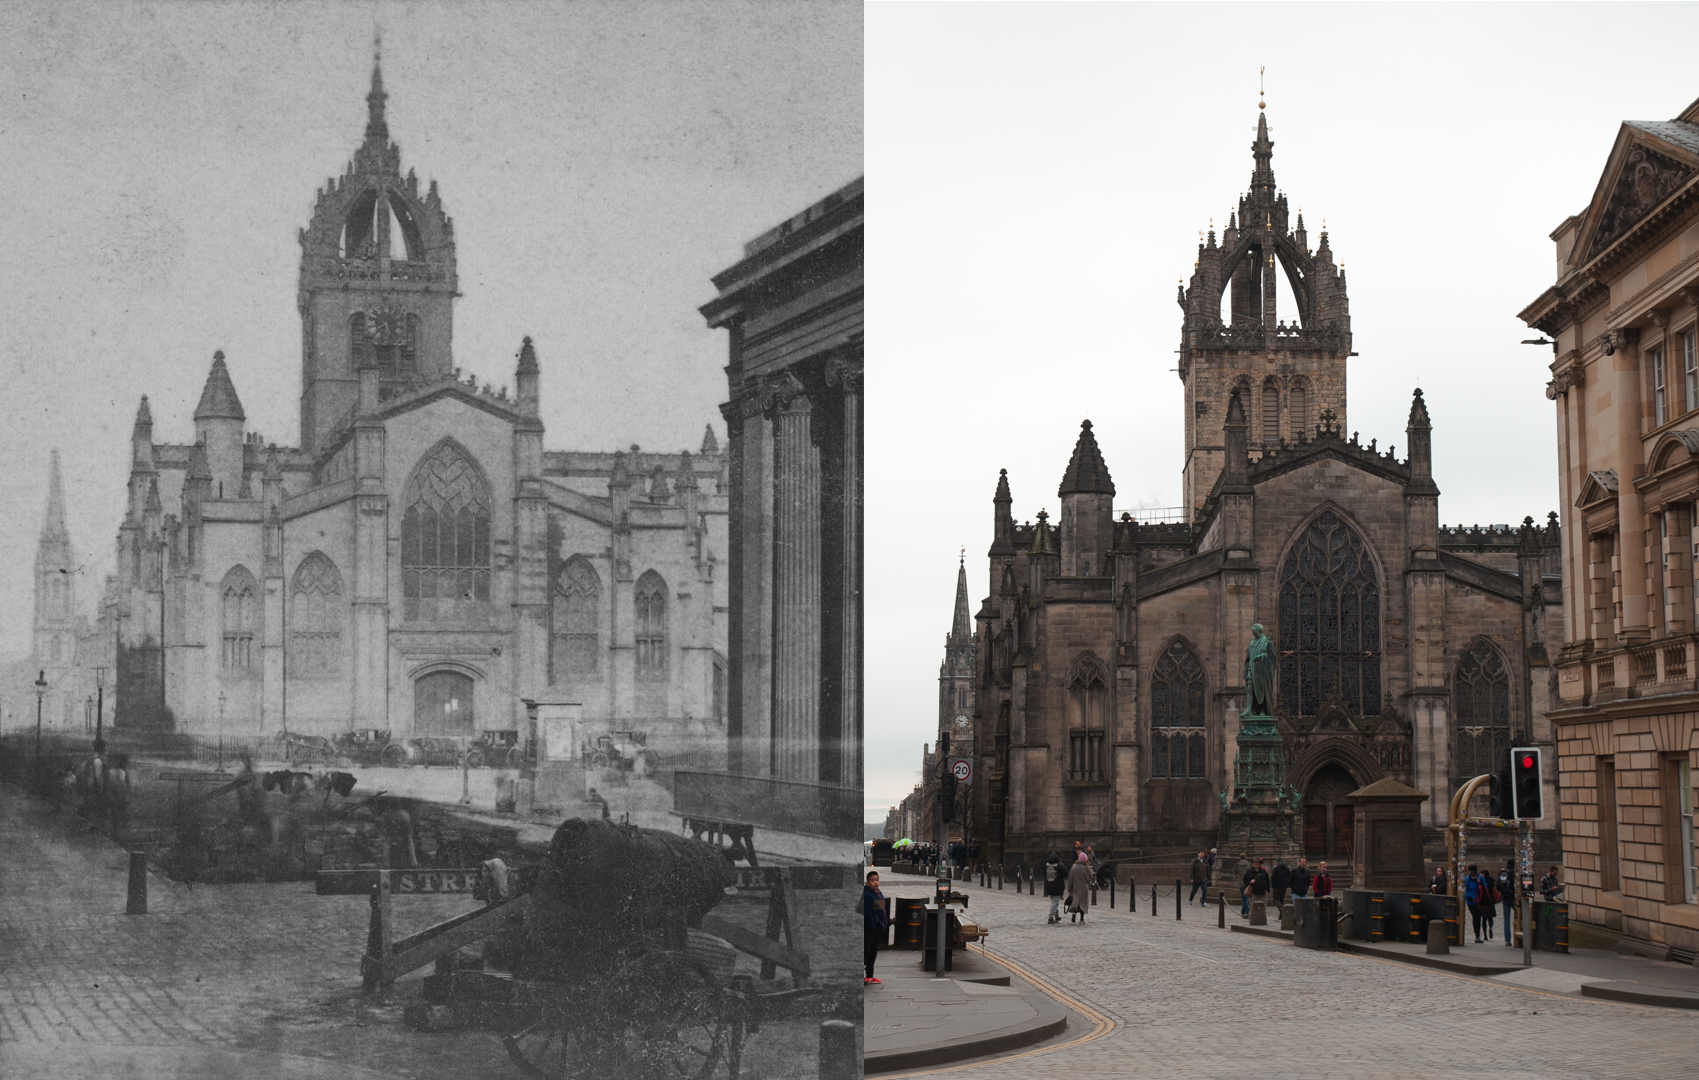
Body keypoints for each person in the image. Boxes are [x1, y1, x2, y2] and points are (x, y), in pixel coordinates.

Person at [862, 871, 888, 984]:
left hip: (877, 928)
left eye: (877, 880)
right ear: (868, 882)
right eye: (872, 881)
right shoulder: (867, 895)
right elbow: (867, 912)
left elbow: (882, 911)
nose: (875, 883)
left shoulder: (878, 893)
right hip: (869, 928)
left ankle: (869, 975)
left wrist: (883, 924)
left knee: (873, 952)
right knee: (865, 952)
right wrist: (872, 924)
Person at [1463, 863, 1489, 942]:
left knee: (1479, 917)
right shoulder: (1467, 879)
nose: (1472, 874)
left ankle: (1478, 935)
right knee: (1476, 917)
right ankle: (1477, 935)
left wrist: (1481, 884)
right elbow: (1464, 890)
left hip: (1479, 900)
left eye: (1473, 872)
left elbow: (1485, 887)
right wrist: (1469, 897)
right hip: (1471, 901)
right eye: (1471, 872)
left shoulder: (1480, 878)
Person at [1066, 851, 1092, 923]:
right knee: (1083, 904)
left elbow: (1070, 879)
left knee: (1075, 902)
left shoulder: (1073, 868)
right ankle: (1081, 919)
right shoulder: (1086, 868)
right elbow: (1089, 879)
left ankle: (1074, 913)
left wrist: (1070, 888)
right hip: (1083, 888)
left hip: (1075, 888)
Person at [1497, 861, 1517, 945]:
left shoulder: (1502, 873)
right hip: (1514, 898)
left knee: (1506, 919)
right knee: (1519, 917)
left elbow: (1497, 886)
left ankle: (1507, 940)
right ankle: (1518, 938)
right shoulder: (1515, 872)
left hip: (1505, 897)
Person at [1043, 851, 1067, 924]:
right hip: (1058, 885)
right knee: (1055, 901)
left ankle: (1056, 916)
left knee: (1053, 900)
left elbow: (1044, 873)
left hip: (1049, 885)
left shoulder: (1046, 865)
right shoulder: (1060, 865)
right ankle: (1050, 917)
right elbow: (1065, 873)